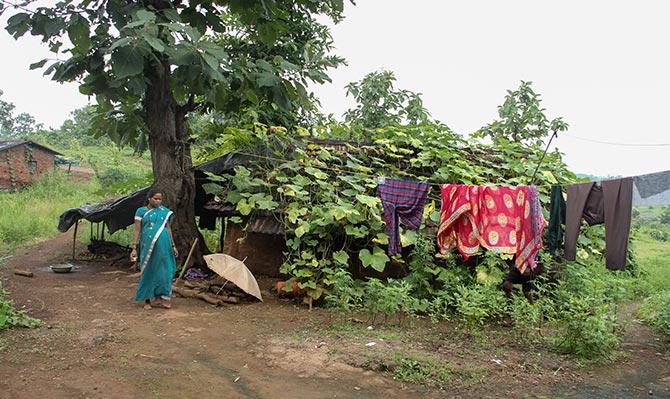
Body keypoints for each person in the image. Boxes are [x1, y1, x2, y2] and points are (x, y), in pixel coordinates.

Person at [130, 189, 179, 310]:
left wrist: (173, 245)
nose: (158, 201)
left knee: (166, 270)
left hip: (164, 245)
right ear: (149, 199)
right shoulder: (141, 211)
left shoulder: (164, 212)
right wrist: (134, 248)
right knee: (148, 270)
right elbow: (137, 230)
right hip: (147, 245)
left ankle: (163, 298)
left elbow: (168, 229)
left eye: (160, 199)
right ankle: (147, 300)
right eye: (155, 199)